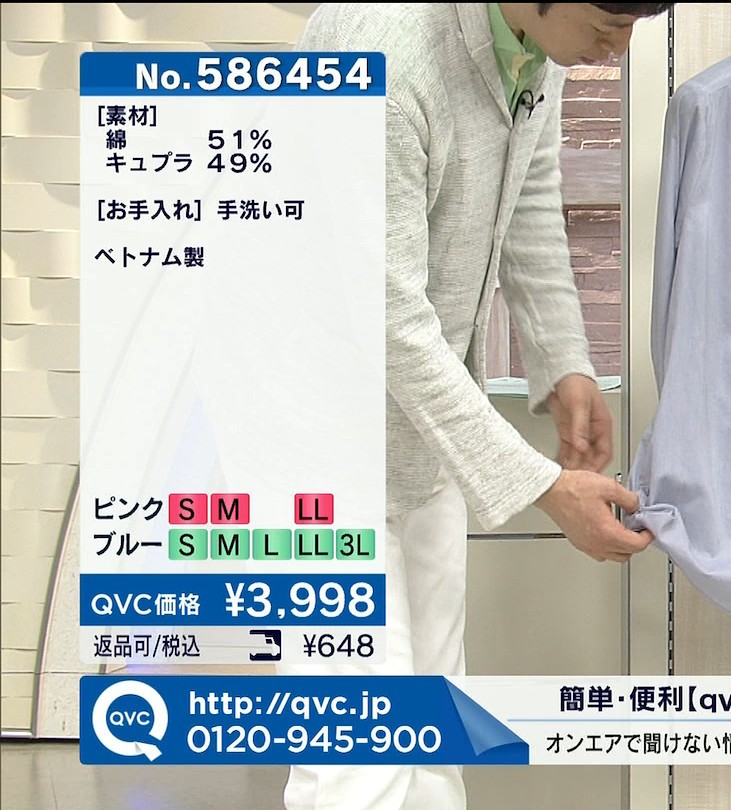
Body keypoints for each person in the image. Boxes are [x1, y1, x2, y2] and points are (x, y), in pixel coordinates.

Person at [285, 4, 671, 809]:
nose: (620, 46)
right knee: (358, 757)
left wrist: (563, 357)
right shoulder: (382, 60)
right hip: (318, 441)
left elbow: (527, 189)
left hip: (419, 430)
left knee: (432, 722)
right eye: (607, 21)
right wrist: (542, 485)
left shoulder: (531, 46)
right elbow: (385, 312)